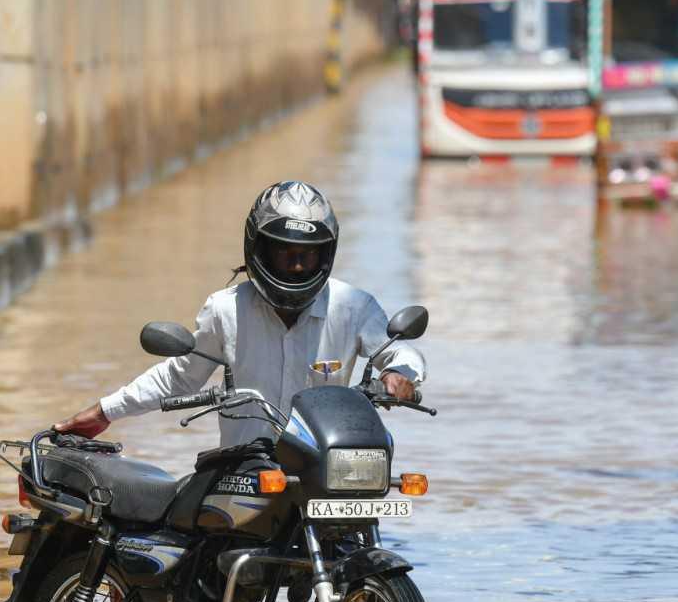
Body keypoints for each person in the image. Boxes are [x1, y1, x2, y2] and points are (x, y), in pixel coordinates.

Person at [53, 180, 424, 447]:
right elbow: (180, 378)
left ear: (324, 254)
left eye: (307, 254)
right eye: (285, 252)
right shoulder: (226, 309)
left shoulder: (353, 306)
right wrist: (104, 412)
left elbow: (398, 351)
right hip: (244, 469)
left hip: (324, 463)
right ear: (260, 248)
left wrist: (400, 375)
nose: (296, 267)